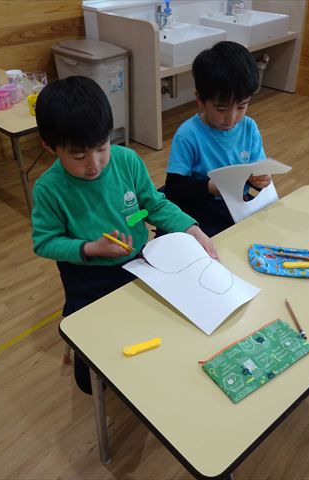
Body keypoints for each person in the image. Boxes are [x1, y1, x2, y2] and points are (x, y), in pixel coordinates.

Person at [32, 76, 217, 394]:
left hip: (139, 262)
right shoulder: (49, 189)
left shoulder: (127, 160)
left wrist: (192, 228)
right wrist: (91, 248)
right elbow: (44, 242)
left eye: (101, 147)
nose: (94, 164)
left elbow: (154, 205)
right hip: (87, 275)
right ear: (49, 146)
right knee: (91, 384)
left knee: (153, 331)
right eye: (78, 156)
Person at [163, 41, 271, 237]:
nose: (231, 118)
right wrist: (211, 187)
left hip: (237, 205)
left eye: (242, 106)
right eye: (221, 109)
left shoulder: (249, 128)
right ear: (200, 100)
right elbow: (174, 188)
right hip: (200, 210)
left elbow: (257, 172)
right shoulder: (188, 134)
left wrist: (261, 180)